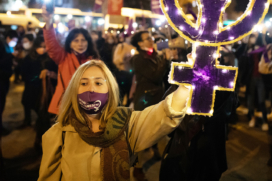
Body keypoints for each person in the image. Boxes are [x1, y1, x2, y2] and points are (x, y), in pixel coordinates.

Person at [38, 60, 189, 180]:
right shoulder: (59, 134)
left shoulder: (127, 124)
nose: (91, 89)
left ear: (109, 89)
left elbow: (163, 114)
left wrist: (186, 85)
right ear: (74, 90)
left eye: (98, 83)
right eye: (83, 83)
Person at [42, 9, 100, 114]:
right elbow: (51, 45)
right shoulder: (63, 57)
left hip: (87, 105)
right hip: (66, 105)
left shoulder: (94, 61)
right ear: (69, 43)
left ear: (88, 42)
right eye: (76, 40)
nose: (80, 44)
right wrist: (48, 21)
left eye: (83, 40)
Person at [20, 36, 57, 128]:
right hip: (31, 88)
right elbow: (24, 75)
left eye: (45, 47)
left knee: (43, 111)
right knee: (30, 105)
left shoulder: (51, 58)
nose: (42, 49)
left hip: (45, 90)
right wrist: (37, 76)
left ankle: (41, 131)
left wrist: (51, 74)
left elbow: (56, 73)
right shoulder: (29, 58)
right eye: (40, 47)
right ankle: (29, 121)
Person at [130, 31, 170, 111]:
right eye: (148, 38)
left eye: (151, 37)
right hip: (146, 100)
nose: (152, 40)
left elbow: (165, 76)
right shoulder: (137, 59)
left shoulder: (156, 56)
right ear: (140, 43)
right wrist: (166, 60)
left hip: (158, 98)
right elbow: (155, 77)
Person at [236, 34, 268, 131]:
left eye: (254, 37)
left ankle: (264, 121)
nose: (253, 39)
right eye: (251, 38)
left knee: (261, 100)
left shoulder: (262, 50)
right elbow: (238, 55)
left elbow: (267, 60)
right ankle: (252, 118)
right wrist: (244, 44)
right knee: (250, 99)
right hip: (250, 78)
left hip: (261, 78)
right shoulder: (247, 50)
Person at [113, 32, 136, 104]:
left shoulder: (135, 47)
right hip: (122, 73)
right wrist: (124, 58)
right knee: (120, 94)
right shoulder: (121, 46)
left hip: (131, 74)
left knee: (130, 93)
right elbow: (116, 60)